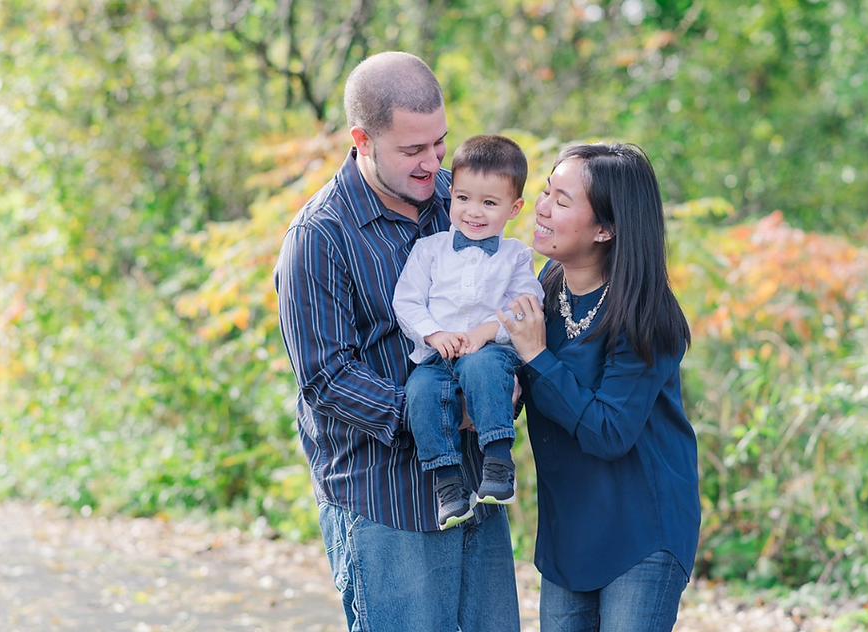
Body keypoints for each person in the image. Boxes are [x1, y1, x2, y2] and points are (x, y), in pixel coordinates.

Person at [274, 52, 520, 632]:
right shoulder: (319, 238)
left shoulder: (455, 201)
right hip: (382, 501)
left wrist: (504, 389)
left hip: (474, 487)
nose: (433, 163)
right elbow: (326, 377)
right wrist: (442, 411)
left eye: (439, 143)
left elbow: (505, 296)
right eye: (413, 150)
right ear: (362, 139)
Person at [499, 142, 701, 632]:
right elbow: (529, 388)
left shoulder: (646, 315)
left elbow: (609, 432)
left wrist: (536, 357)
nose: (541, 207)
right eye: (547, 191)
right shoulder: (543, 287)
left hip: (642, 530)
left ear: (605, 229)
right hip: (569, 530)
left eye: (563, 201)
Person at [393, 134, 544, 530]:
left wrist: (489, 329)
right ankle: (448, 485)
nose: (473, 211)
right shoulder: (430, 250)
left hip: (490, 350)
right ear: (451, 197)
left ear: (513, 208)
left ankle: (497, 461)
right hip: (437, 355)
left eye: (489, 203)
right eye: (463, 198)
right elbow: (407, 302)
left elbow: (527, 304)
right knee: (420, 392)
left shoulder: (516, 255)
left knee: (482, 369)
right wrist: (433, 334)